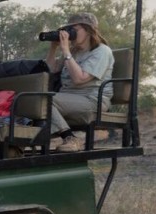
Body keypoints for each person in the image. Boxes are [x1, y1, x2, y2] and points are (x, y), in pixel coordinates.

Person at [43, 12, 114, 153]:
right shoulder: (74, 51)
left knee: (44, 99)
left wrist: (65, 50)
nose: (69, 34)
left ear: (88, 31)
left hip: (92, 100)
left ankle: (71, 139)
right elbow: (51, 69)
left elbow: (79, 79)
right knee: (31, 100)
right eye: (67, 30)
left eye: (73, 30)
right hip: (68, 99)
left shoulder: (102, 51)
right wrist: (53, 48)